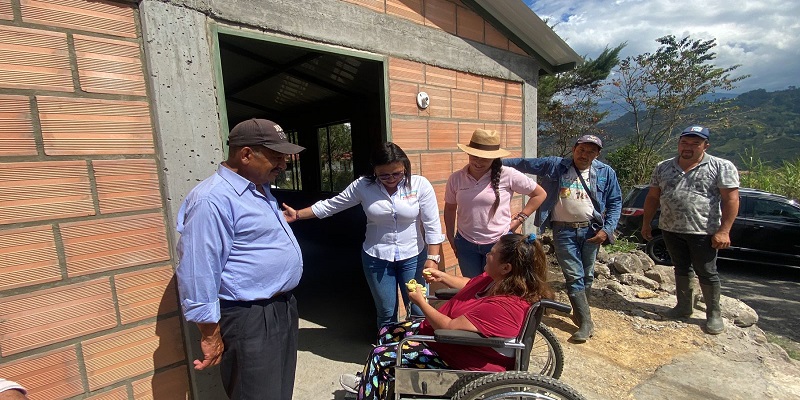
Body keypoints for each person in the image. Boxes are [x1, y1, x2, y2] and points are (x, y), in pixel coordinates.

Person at [175, 118, 306, 400]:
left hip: (281, 308)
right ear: (246, 154)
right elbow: (199, 269)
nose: (283, 165)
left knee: (279, 392)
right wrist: (209, 333)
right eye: (276, 157)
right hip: (249, 317)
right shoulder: (212, 199)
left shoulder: (260, 190)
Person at [338, 233, 553, 400]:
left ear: (506, 267)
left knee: (379, 356)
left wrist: (420, 302)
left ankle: (371, 387)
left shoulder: (505, 306)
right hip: (445, 339)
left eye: (492, 253)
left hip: (457, 353)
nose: (488, 253)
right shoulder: (500, 281)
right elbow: (470, 285)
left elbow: (449, 328)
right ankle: (379, 383)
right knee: (388, 331)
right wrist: (443, 276)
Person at [286, 143, 444, 328]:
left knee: (418, 309)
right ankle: (386, 352)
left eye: (397, 173)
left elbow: (432, 224)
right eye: (384, 175)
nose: (391, 179)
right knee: (386, 312)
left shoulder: (419, 185)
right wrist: (297, 214)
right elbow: (332, 205)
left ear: (405, 167)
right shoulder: (363, 186)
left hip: (414, 257)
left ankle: (419, 352)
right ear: (374, 170)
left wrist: (432, 258)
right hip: (377, 258)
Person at [502, 134, 622, 343]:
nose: (584, 154)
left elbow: (615, 202)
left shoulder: (605, 172)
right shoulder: (555, 165)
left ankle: (580, 313)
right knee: (574, 275)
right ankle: (586, 323)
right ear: (574, 148)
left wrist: (607, 229)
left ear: (597, 154)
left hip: (592, 230)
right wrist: (494, 163)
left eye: (590, 151)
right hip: (562, 231)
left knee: (587, 275)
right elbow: (524, 163)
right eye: (581, 149)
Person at [642, 125, 739, 335]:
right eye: (685, 142)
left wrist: (725, 230)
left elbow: (731, 199)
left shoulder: (721, 166)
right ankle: (684, 307)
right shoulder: (663, 167)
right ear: (678, 143)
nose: (689, 147)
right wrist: (646, 222)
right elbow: (652, 197)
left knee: (707, 272)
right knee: (681, 268)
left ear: (705, 145)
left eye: (695, 143)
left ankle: (713, 314)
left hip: (703, 231)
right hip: (669, 228)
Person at [444, 129, 547, 278]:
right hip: (466, 244)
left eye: (485, 158)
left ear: (494, 158)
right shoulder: (456, 178)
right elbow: (450, 208)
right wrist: (450, 236)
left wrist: (520, 219)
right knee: (472, 287)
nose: (478, 162)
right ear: (468, 153)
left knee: (496, 289)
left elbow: (539, 194)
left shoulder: (508, 174)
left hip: (499, 244)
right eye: (474, 156)